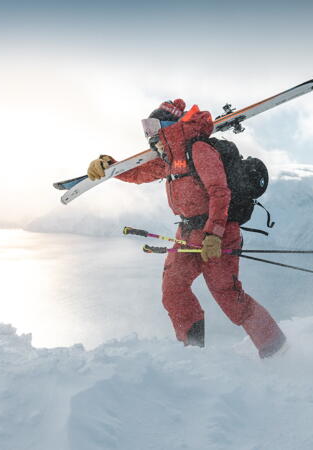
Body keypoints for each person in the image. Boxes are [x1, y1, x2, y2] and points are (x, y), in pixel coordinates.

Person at [86, 99, 286, 358]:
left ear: (169, 126)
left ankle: (276, 348)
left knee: (229, 297)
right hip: (188, 235)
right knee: (173, 291)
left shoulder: (199, 149)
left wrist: (214, 234)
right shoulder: (169, 159)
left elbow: (219, 192)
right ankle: (192, 353)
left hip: (219, 233)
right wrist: (110, 166)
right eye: (146, 128)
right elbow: (138, 173)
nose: (149, 134)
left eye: (152, 126)